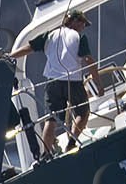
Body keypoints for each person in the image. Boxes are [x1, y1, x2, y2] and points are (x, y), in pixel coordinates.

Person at [10, 9, 101, 156]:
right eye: (83, 23)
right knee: (83, 113)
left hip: (52, 83)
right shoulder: (79, 37)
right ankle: (71, 143)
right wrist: (98, 83)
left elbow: (29, 48)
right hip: (73, 82)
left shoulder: (50, 35)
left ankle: (46, 155)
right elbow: (89, 61)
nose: (83, 27)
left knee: (51, 119)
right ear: (75, 21)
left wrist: (9, 56)